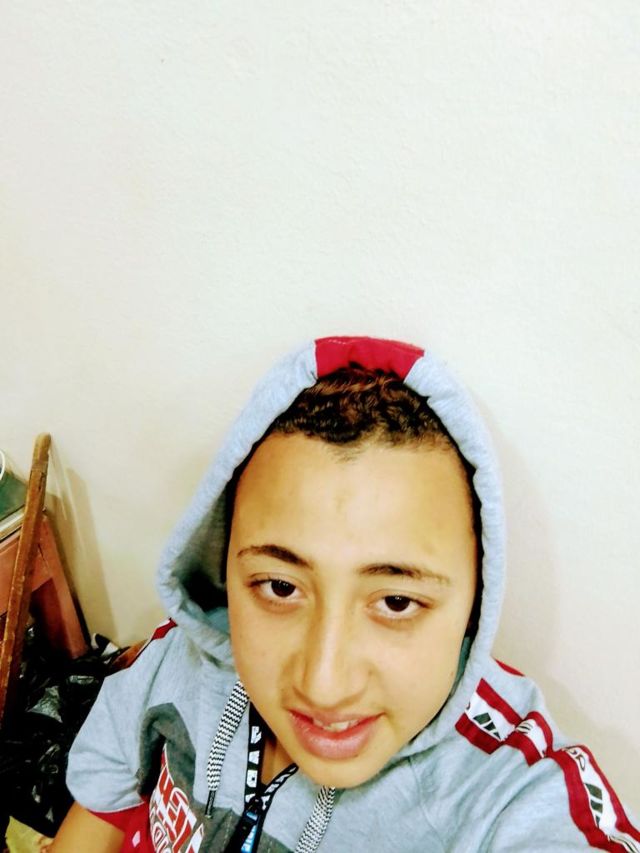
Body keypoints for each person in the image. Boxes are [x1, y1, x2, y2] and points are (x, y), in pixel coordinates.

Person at [53, 335, 639, 852]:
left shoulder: (501, 796)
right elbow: (105, 793)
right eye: (280, 587)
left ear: (473, 606)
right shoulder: (180, 658)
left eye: (396, 602)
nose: (324, 685)